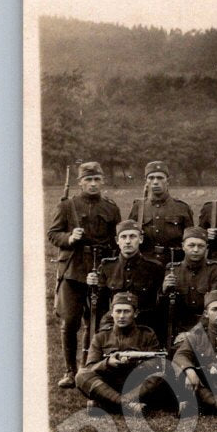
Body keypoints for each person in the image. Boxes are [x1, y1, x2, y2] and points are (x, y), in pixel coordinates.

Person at [47, 161, 121, 388]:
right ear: (80, 182)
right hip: (73, 269)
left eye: (97, 179)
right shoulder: (67, 206)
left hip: (100, 269)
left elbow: (117, 238)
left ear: (103, 181)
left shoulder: (111, 208)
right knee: (70, 321)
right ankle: (70, 371)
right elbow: (53, 234)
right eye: (88, 180)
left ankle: (88, 367)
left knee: (95, 322)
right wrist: (69, 238)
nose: (93, 184)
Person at [76, 292, 166, 415]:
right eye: (118, 311)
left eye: (126, 311)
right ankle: (127, 405)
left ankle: (107, 405)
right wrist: (107, 363)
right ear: (112, 313)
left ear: (135, 313)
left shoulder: (147, 335)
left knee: (160, 373)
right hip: (109, 384)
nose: (121, 316)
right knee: (81, 375)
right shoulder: (101, 336)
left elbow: (156, 365)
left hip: (136, 385)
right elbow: (91, 367)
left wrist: (136, 363)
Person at [87, 220, 165, 333]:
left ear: (141, 239)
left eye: (132, 236)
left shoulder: (154, 268)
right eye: (123, 237)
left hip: (144, 325)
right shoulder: (107, 267)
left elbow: (160, 306)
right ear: (117, 241)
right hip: (115, 323)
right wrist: (92, 286)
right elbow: (98, 304)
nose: (128, 241)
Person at [161, 226, 217, 346]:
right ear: (183, 246)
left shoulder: (216, 269)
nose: (196, 250)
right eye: (191, 245)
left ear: (207, 247)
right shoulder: (173, 269)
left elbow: (215, 305)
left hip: (209, 327)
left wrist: (193, 333)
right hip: (179, 328)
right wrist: (164, 290)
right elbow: (164, 308)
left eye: (201, 246)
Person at [128, 161, 194, 266]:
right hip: (145, 263)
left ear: (168, 181)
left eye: (160, 178)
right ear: (146, 181)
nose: (155, 182)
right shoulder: (138, 207)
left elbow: (191, 239)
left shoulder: (182, 208)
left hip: (174, 263)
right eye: (151, 178)